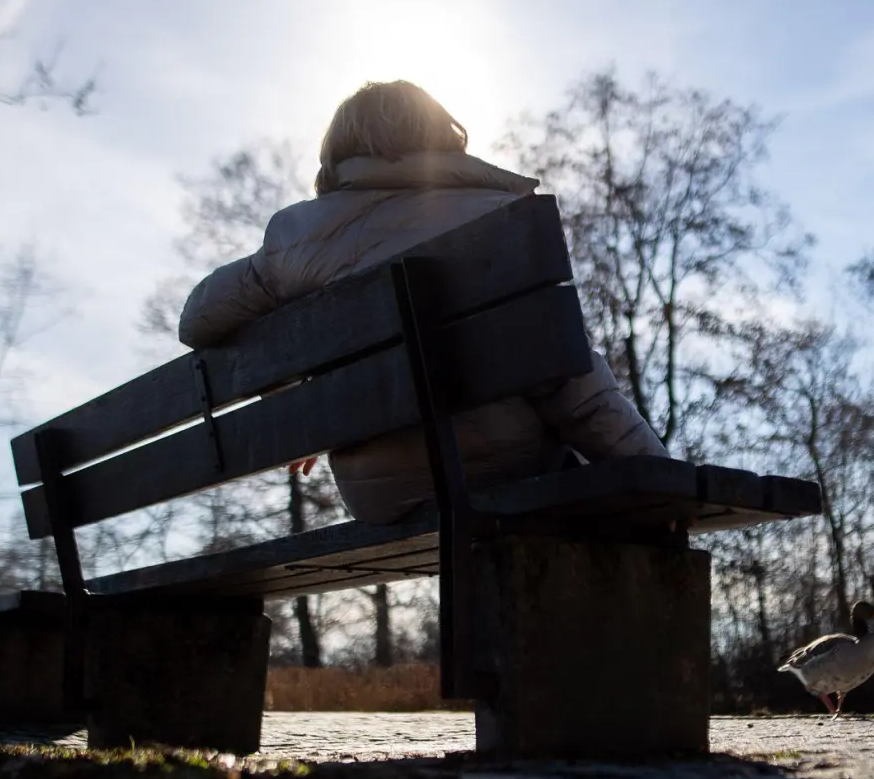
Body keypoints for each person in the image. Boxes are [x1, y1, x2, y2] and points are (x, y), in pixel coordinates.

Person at [177, 80, 668, 523]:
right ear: (441, 134)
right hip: (507, 471)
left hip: (378, 495)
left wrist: (301, 404)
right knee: (602, 491)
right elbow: (575, 389)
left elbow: (197, 319)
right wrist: (664, 481)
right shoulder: (501, 218)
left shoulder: (293, 237)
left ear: (339, 150)